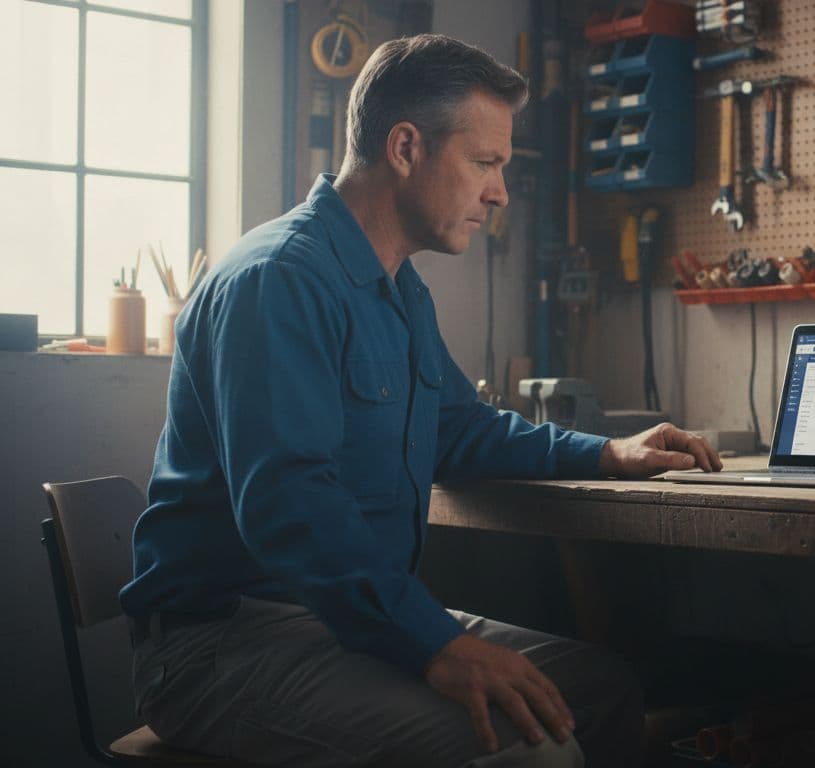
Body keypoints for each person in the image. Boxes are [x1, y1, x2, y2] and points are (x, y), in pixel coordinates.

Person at [119, 34, 722, 768]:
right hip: (221, 645)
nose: (499, 191)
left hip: (330, 620)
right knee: (540, 747)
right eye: (485, 162)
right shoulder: (277, 281)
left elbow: (458, 429)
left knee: (602, 691)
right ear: (405, 147)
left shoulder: (397, 285)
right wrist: (436, 643)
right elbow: (291, 505)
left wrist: (604, 451)